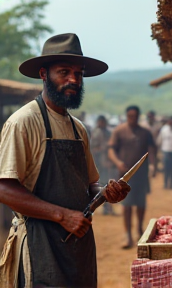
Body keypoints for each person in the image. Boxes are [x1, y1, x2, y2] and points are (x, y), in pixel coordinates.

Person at [0, 33, 130, 288]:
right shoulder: (24, 122)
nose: (73, 80)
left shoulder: (78, 128)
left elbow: (89, 185)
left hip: (79, 245)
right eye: (64, 72)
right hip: (40, 245)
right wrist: (61, 215)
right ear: (43, 74)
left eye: (79, 73)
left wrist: (107, 193)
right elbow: (4, 187)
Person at [108, 105, 157, 249]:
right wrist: (118, 163)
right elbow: (111, 150)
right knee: (127, 205)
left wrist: (153, 165)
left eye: (135, 116)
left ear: (138, 116)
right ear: (127, 116)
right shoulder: (119, 131)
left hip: (141, 174)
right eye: (130, 116)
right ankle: (127, 234)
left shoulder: (145, 132)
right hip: (125, 175)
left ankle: (140, 230)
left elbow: (152, 150)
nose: (132, 119)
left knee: (141, 203)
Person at [90, 115, 117, 215]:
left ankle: (109, 208)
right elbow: (93, 149)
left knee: (109, 185)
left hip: (109, 163)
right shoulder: (96, 133)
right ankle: (105, 208)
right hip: (99, 164)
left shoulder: (109, 133)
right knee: (102, 185)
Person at [157, 116, 172, 190]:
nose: (171, 122)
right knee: (166, 168)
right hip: (166, 152)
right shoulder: (164, 130)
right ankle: (165, 183)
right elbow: (159, 140)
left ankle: (171, 184)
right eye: (170, 121)